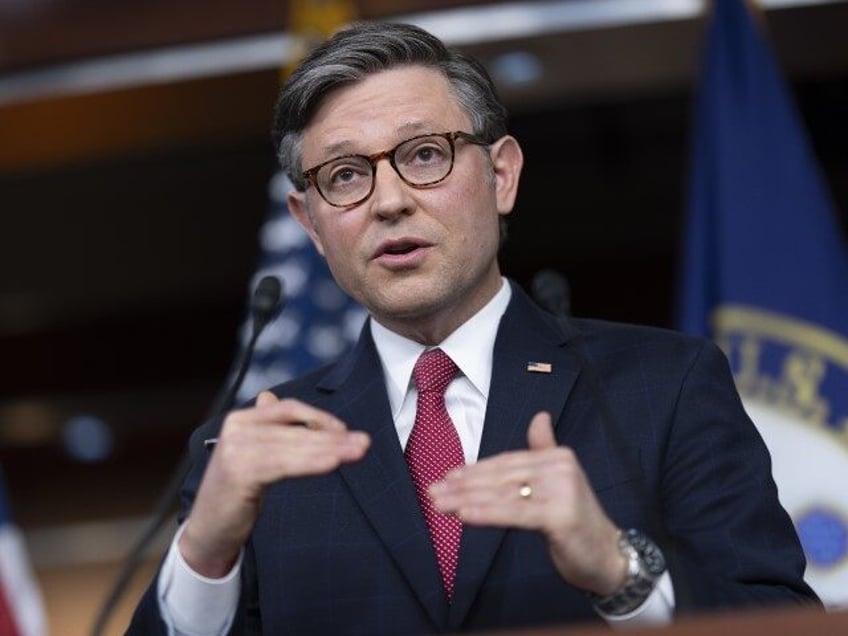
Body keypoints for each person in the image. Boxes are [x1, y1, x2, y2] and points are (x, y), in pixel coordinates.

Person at [128, 21, 818, 635]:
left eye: (424, 155)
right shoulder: (255, 446)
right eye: (344, 175)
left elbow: (784, 621)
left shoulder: (663, 386)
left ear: (503, 174)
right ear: (309, 224)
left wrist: (620, 571)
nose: (390, 202)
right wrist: (203, 555)